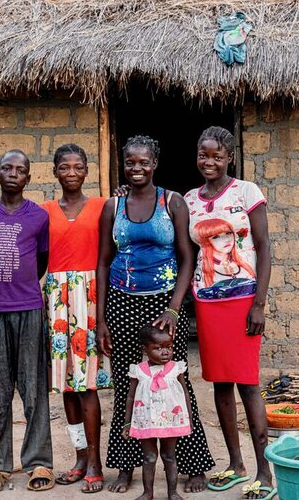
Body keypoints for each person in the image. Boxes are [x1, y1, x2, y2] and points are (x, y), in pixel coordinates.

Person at [96, 135, 214, 494]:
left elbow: (186, 258)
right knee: (127, 384)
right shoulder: (112, 207)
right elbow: (103, 262)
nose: (136, 168)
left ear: (155, 164)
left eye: (143, 162)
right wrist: (101, 319)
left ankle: (194, 466)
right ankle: (126, 466)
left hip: (162, 305)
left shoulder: (172, 202)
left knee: (177, 384)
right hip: (121, 302)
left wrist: (175, 309)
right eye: (130, 162)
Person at [183, 127, 273, 499]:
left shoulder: (246, 192)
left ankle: (263, 471)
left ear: (229, 158)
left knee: (248, 383)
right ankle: (236, 465)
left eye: (217, 156)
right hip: (207, 302)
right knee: (220, 383)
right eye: (204, 155)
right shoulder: (188, 199)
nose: (209, 162)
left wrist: (259, 304)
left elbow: (265, 247)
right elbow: (188, 255)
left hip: (243, 300)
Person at [0, 150, 55, 493]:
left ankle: (39, 462)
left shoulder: (38, 217)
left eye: (21, 170)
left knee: (34, 389)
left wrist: (21, 290)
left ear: (29, 179)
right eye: (7, 167)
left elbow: (42, 262)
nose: (13, 174)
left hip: (30, 310)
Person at [41, 144, 110, 493]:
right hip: (57, 300)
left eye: (78, 166)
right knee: (66, 385)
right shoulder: (45, 211)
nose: (71, 172)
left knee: (88, 386)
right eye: (64, 167)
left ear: (86, 170)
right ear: (55, 172)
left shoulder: (102, 206)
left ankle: (96, 462)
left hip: (90, 297)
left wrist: (102, 315)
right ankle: (80, 457)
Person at [122, 325, 192, 500]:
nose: (165, 352)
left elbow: (184, 393)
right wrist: (127, 423)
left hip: (171, 420)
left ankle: (172, 493)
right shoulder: (138, 370)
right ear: (144, 349)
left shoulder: (176, 368)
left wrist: (189, 418)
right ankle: (148, 493)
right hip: (145, 421)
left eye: (169, 347)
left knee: (169, 456)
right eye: (158, 348)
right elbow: (130, 397)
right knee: (149, 457)